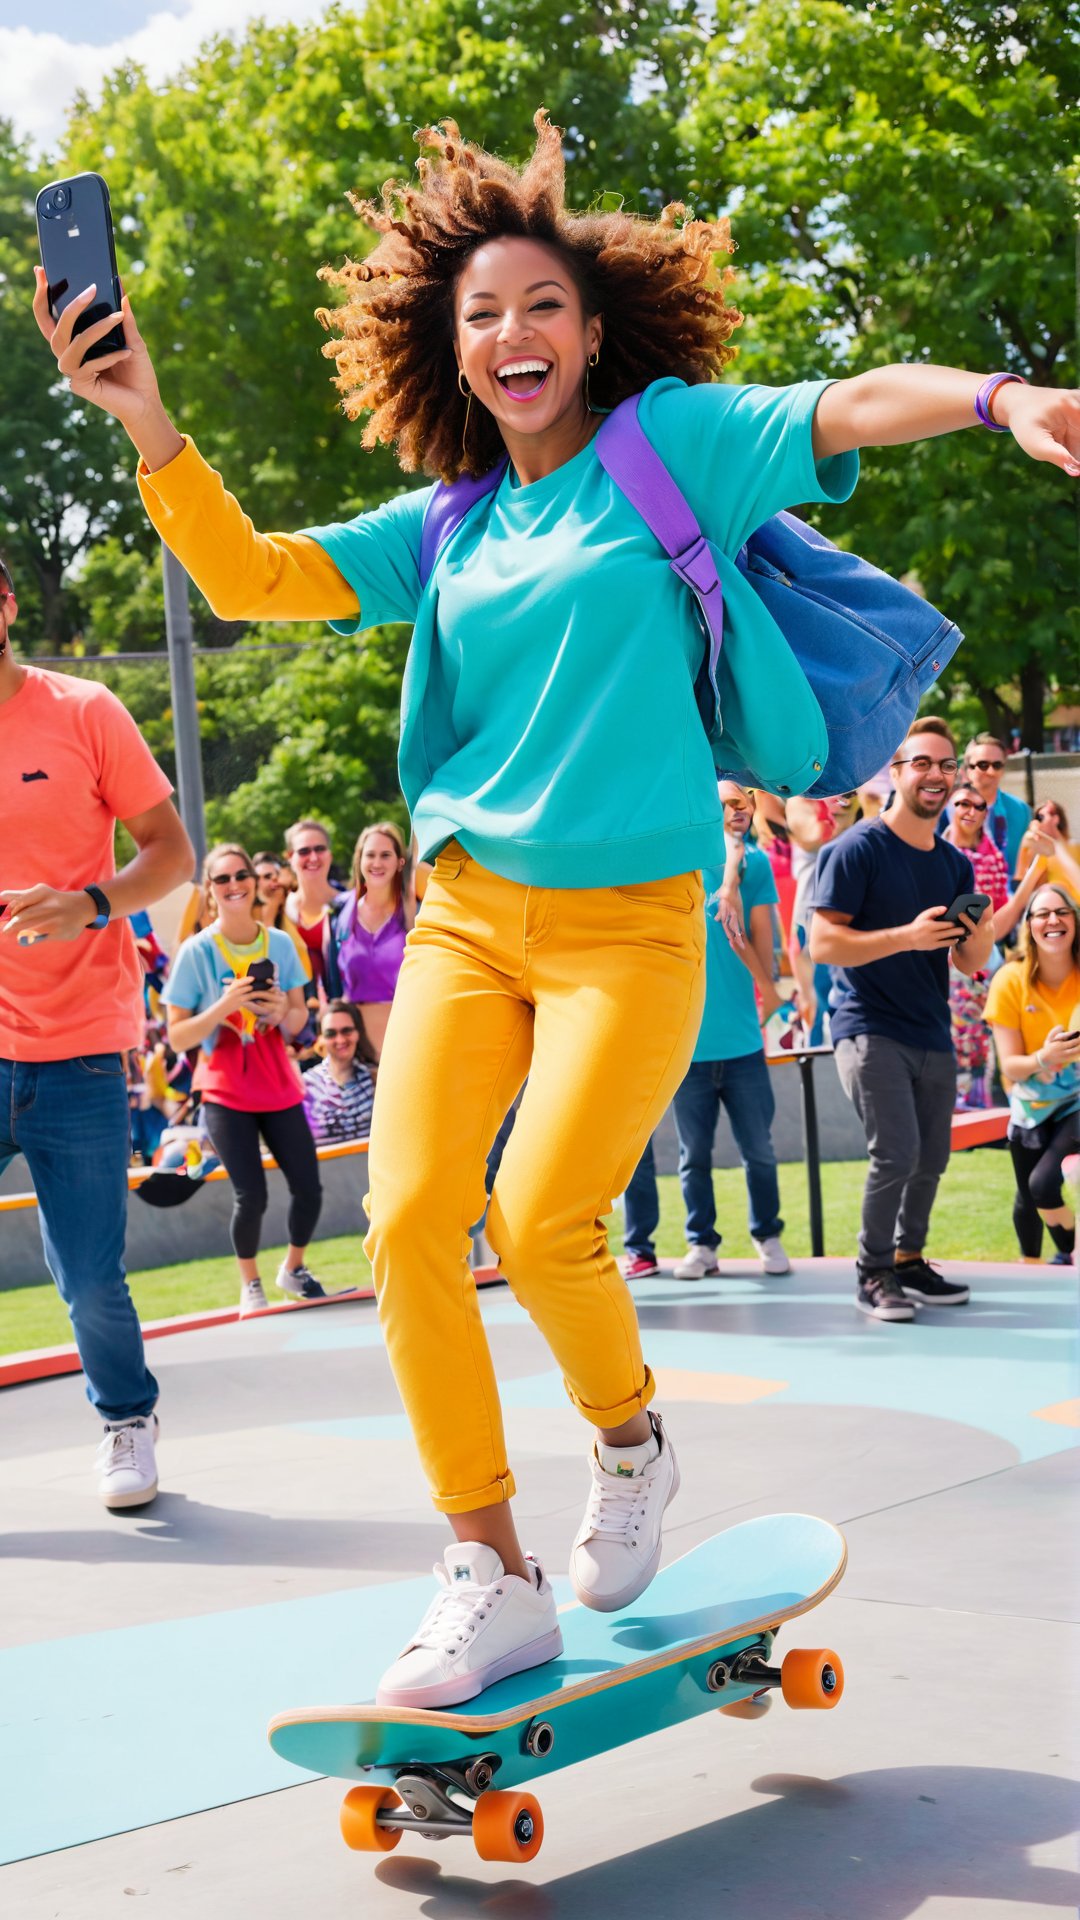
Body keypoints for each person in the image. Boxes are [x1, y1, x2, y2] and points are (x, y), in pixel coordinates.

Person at [36, 108, 1080, 1705]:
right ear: (448, 355)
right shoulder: (443, 528)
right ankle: (487, 1568)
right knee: (402, 1220)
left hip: (634, 927)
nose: (512, 333)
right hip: (462, 918)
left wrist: (1009, 399)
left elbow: (851, 400)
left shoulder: (673, 447)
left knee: (543, 1218)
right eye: (481, 316)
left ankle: (630, 1440)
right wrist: (146, 419)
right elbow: (250, 575)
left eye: (540, 306)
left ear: (592, 334)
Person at [0, 554, 193, 1506]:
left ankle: (126, 1419)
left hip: (76, 1044)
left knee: (87, 1277)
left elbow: (172, 852)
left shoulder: (83, 710)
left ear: (3, 602)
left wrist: (90, 902)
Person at [811, 720, 996, 1319]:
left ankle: (910, 1260)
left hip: (930, 1029)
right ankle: (873, 1271)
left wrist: (980, 935)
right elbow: (822, 944)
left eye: (948, 766)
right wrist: (907, 937)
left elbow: (967, 961)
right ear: (896, 772)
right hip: (867, 1026)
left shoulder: (954, 865)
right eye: (923, 763)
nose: (937, 776)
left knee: (932, 1157)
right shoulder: (854, 850)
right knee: (895, 1152)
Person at [623, 780, 791, 1280]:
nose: (733, 811)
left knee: (758, 1150)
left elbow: (763, 959)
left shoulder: (758, 868)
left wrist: (736, 879)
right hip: (687, 1044)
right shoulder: (678, 867)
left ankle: (768, 1235)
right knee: (693, 1156)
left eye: (742, 803)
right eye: (722, 804)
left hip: (742, 1041)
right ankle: (703, 1244)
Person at [163, 844, 327, 1312]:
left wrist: (280, 1011)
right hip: (224, 1087)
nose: (233, 885)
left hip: (277, 1079)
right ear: (211, 892)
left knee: (309, 1187)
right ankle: (250, 1285)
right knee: (249, 1194)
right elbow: (177, 1036)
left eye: (241, 875)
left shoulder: (278, 943)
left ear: (255, 882)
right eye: (222, 879)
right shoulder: (196, 952)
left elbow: (298, 1019)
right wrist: (225, 1004)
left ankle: (293, 1269)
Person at [985, 884, 1080, 1265]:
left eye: (1062, 912)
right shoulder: (1009, 980)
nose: (1053, 920)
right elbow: (1010, 1066)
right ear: (1029, 925)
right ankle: (1039, 1264)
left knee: (1042, 1183)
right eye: (1042, 913)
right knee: (1028, 1194)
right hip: (1032, 1100)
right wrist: (1045, 1057)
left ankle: (1066, 1254)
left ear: (1075, 921)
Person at [943, 780, 1044, 1108]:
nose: (970, 812)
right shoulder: (937, 854)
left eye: (978, 806)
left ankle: (978, 1105)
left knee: (983, 1036)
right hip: (944, 962)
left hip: (985, 961)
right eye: (961, 804)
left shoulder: (994, 859)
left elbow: (999, 918)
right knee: (955, 1033)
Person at [331, 821, 416, 1060]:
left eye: (385, 855)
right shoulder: (339, 914)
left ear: (400, 862)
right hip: (354, 1050)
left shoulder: (412, 912)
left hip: (405, 1042)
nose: (377, 863)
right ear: (359, 860)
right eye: (370, 855)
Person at [282, 819, 345, 997]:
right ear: (290, 857)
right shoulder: (281, 909)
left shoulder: (348, 905)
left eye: (320, 849)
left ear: (330, 855)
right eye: (304, 851)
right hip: (294, 1016)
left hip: (343, 1014)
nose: (313, 857)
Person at [302, 998, 378, 1144]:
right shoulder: (307, 1085)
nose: (340, 1040)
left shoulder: (376, 1079)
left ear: (358, 1033)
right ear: (321, 1038)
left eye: (346, 1031)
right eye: (331, 1034)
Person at [958, 733, 1031, 876]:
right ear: (966, 771)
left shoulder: (1021, 811)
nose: (991, 772)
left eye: (997, 765)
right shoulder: (948, 811)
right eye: (983, 765)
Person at [1016, 802, 1080, 899]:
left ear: (1056, 819)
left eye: (1041, 817)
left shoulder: (1075, 846)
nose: (1038, 822)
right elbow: (1027, 884)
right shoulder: (1042, 853)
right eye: (1036, 818)